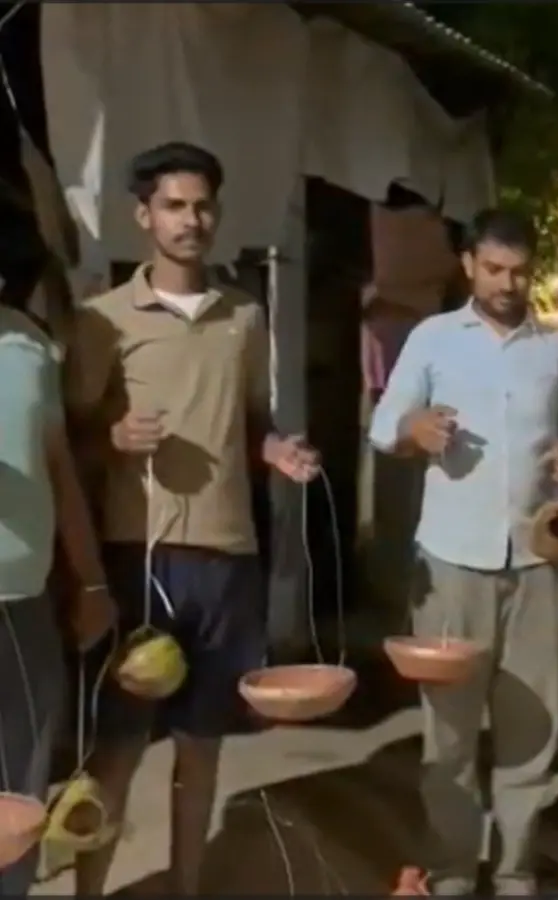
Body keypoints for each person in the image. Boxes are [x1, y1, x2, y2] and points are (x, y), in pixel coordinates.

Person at [63, 142, 320, 897]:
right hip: (137, 557)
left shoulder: (245, 316)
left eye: (202, 206)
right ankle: (88, 892)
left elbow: (251, 424)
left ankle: (184, 888)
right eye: (174, 206)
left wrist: (277, 451)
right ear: (143, 216)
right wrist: (112, 438)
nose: (191, 220)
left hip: (227, 556)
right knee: (118, 748)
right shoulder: (103, 320)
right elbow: (66, 439)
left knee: (202, 746)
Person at [368, 208, 558, 896]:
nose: (507, 283)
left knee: (531, 729)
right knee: (450, 735)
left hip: (538, 564)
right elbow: (384, 426)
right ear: (469, 265)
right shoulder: (434, 338)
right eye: (494, 269)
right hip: (450, 563)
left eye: (519, 271)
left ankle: (516, 870)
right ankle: (452, 871)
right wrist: (415, 428)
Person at [0, 285, 116, 899]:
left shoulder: (30, 344)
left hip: (26, 603)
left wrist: (91, 580)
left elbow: (58, 467)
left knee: (21, 795)